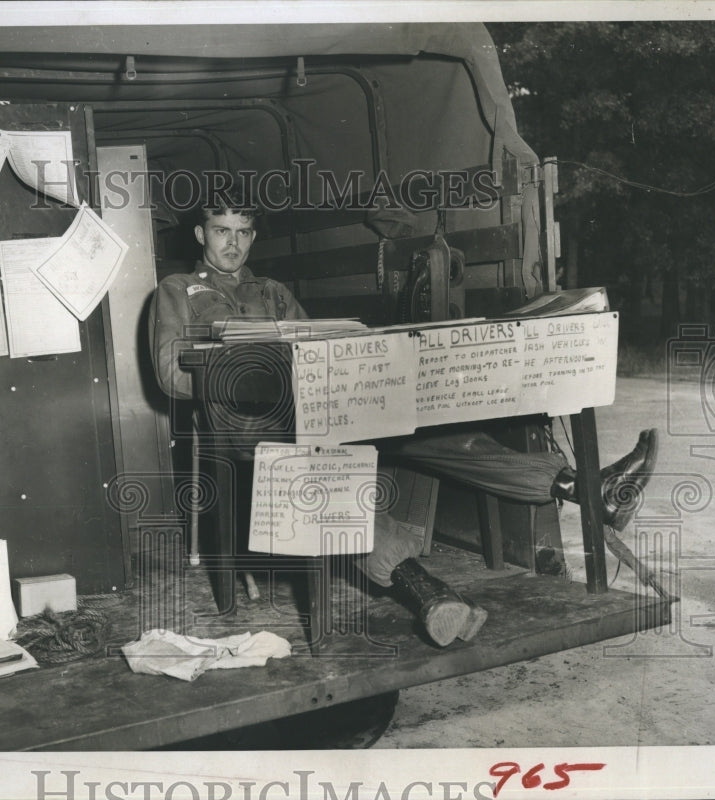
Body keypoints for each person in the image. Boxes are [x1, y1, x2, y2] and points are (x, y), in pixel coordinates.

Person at [149, 196, 658, 646]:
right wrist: (246, 372)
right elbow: (172, 374)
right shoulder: (177, 289)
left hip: (318, 404)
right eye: (221, 231)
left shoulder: (272, 291)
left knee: (429, 426)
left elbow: (316, 343)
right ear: (200, 234)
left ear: (253, 237)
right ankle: (426, 592)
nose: (233, 243)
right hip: (245, 422)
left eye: (243, 232)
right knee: (317, 471)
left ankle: (586, 488)